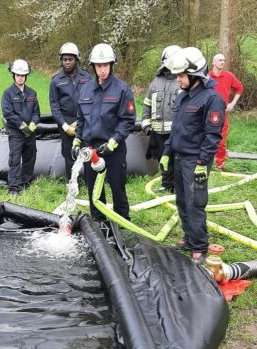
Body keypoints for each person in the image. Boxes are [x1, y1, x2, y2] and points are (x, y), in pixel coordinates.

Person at [160, 47, 225, 264]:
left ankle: (200, 247)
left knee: (195, 203)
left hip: (195, 161)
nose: (177, 79)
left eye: (181, 75)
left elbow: (213, 136)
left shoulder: (211, 98)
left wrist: (202, 163)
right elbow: (175, 129)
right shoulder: (182, 97)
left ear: (195, 74)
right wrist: (167, 152)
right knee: (181, 201)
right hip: (179, 158)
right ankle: (189, 239)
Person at [73, 43, 136, 222]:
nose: (102, 70)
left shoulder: (122, 89)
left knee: (117, 187)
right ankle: (99, 223)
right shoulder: (85, 90)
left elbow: (127, 120)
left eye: (106, 65)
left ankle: (123, 223)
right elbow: (81, 119)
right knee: (94, 189)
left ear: (111, 65)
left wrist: (114, 142)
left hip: (112, 149)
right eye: (99, 66)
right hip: (90, 149)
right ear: (93, 66)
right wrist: (77, 140)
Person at [141, 45, 182, 193]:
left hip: (175, 131)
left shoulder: (181, 81)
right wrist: (146, 125)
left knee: (176, 159)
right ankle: (166, 183)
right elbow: (146, 105)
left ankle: (177, 186)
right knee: (161, 158)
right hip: (157, 131)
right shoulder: (155, 82)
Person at [49, 42, 91, 180]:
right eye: (64, 59)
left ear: (76, 60)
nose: (67, 62)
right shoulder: (56, 81)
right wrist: (65, 125)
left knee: (87, 151)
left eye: (70, 59)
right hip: (65, 122)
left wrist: (80, 120)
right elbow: (54, 106)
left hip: (84, 121)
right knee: (69, 155)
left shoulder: (87, 78)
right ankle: (71, 183)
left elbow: (92, 100)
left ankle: (89, 181)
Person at [1, 59, 40, 195]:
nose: (20, 78)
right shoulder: (8, 94)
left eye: (23, 75)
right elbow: (8, 113)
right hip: (16, 133)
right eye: (18, 75)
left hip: (30, 133)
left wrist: (33, 124)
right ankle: (14, 188)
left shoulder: (32, 93)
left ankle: (25, 183)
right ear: (13, 75)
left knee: (30, 158)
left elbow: (36, 112)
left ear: (26, 76)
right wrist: (22, 126)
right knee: (15, 160)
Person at [208, 53, 243, 170]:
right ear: (213, 62)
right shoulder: (207, 77)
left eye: (223, 60)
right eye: (219, 60)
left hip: (223, 113)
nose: (222, 62)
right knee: (206, 137)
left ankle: (220, 164)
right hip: (208, 114)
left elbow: (239, 88)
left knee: (221, 140)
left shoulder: (229, 76)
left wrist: (232, 103)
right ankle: (204, 162)